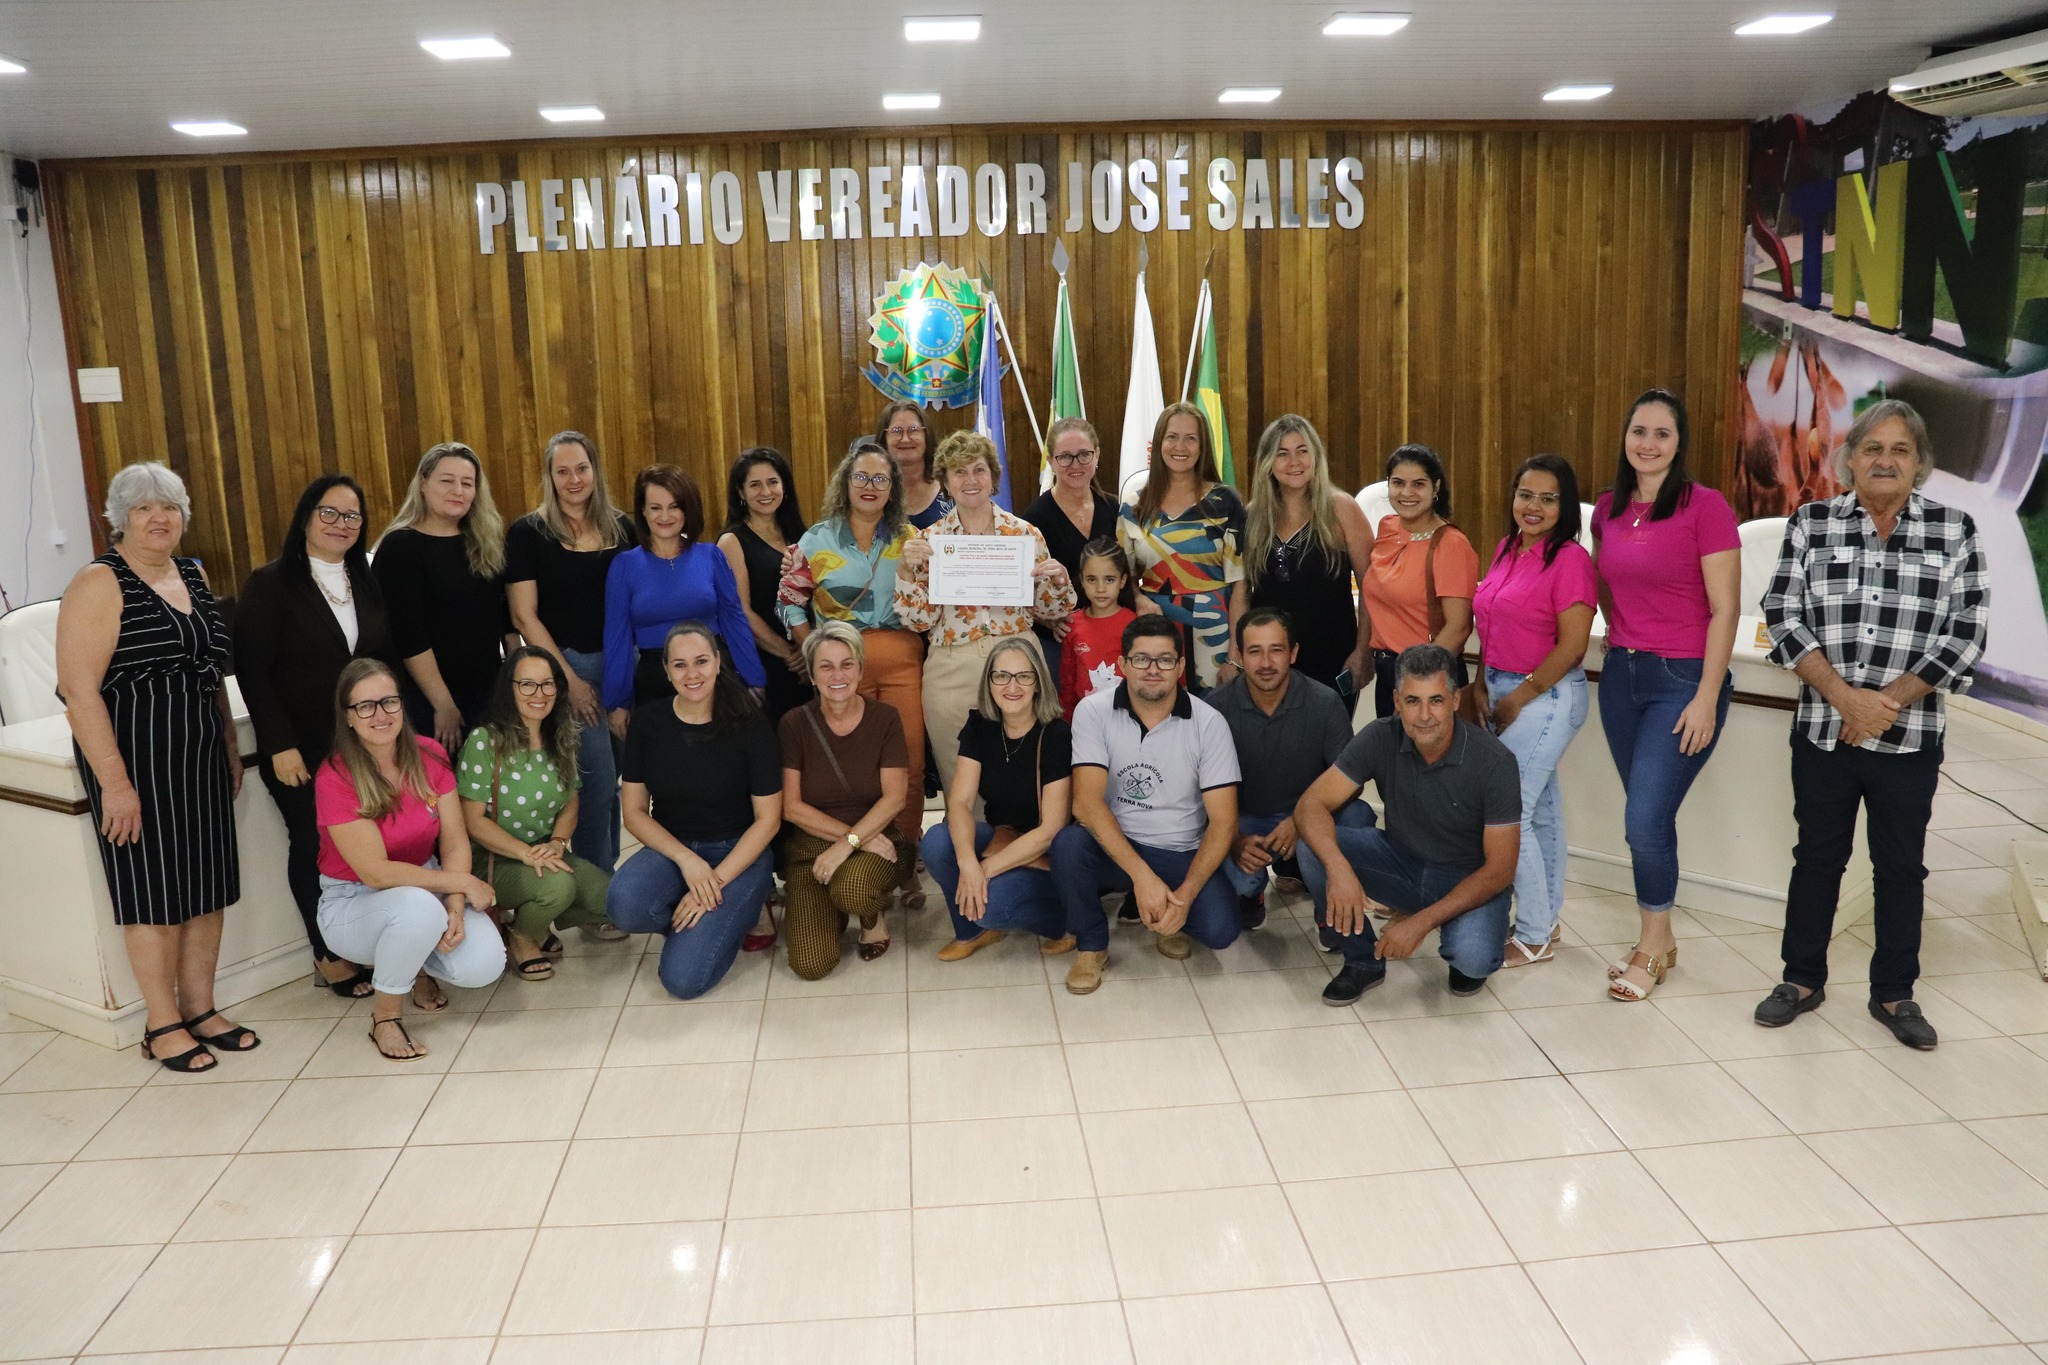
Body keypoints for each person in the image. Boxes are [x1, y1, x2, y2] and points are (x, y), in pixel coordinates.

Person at [1755, 399, 1989, 1050]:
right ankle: (1801, 979)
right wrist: (1842, 697)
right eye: (1872, 449)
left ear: (1919, 465)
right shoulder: (1812, 524)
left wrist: (1880, 703)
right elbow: (1782, 612)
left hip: (1910, 739)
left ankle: (1894, 992)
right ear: (1849, 459)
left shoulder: (1956, 531)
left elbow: (1966, 635)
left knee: (1900, 867)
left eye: (1900, 450)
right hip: (1824, 733)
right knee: (1817, 858)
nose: (1885, 460)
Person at [56, 462, 256, 1072]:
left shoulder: (191, 573)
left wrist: (226, 745)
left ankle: (201, 1009)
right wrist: (115, 784)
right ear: (121, 519)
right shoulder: (99, 582)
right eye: (144, 508)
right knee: (153, 895)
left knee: (206, 887)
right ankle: (161, 1022)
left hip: (198, 756)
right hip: (134, 765)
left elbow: (210, 674)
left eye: (168, 507)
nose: (159, 518)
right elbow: (79, 692)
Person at [1591, 389, 1740, 1002]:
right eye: (1638, 431)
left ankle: (1651, 946)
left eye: (1662, 434)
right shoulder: (1608, 509)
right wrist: (1620, 637)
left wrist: (1706, 696)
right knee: (1648, 817)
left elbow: (1726, 608)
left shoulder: (1705, 507)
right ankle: (1662, 937)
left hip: (1681, 683)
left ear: (1679, 444)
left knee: (1644, 819)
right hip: (1621, 679)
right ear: (1625, 438)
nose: (1647, 443)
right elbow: (1604, 585)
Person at [237, 474, 394, 998]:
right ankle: (327, 954)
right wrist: (279, 745)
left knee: (365, 846)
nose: (341, 525)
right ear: (306, 516)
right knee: (313, 844)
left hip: (365, 745)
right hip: (300, 749)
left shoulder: (367, 579)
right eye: (329, 513)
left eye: (352, 517)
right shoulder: (271, 583)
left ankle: (365, 942)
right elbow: (253, 671)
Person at [1296, 644, 1523, 1005]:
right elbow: (1311, 803)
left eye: (1435, 700)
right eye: (1413, 701)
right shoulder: (1380, 736)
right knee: (1311, 848)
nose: (1425, 715)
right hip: (1403, 863)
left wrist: (1419, 924)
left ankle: (1456, 941)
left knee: (1473, 960)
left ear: (1454, 700)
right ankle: (1362, 960)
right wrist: (1339, 870)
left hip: (1468, 879)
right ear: (1397, 702)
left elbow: (1500, 870)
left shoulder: (1495, 763)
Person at [316, 659, 506, 1061]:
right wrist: (464, 884)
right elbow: (376, 872)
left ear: (403, 705)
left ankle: (415, 964)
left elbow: (454, 842)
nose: (380, 714)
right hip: (353, 900)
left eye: (389, 702)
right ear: (347, 717)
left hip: (428, 885)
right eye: (365, 706)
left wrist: (455, 906)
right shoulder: (335, 776)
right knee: (417, 908)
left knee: (484, 966)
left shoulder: (431, 755)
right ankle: (385, 1017)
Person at [1050, 616, 1242, 993]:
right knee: (1068, 846)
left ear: (1181, 667)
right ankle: (1093, 945)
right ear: (1122, 665)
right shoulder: (1093, 711)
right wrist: (1143, 877)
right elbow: (1086, 805)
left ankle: (1167, 915)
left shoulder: (1210, 723)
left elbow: (1223, 822)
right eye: (1141, 659)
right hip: (1115, 847)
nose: (1153, 670)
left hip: (1179, 850)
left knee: (1221, 931)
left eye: (1165, 660)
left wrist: (1184, 897)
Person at [778, 439, 926, 906]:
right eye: (860, 476)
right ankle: (862, 854)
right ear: (846, 482)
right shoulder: (815, 540)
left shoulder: (912, 539)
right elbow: (789, 602)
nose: (869, 486)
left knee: (911, 765)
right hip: (844, 666)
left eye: (880, 478)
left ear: (893, 487)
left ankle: (904, 860)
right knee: (857, 768)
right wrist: (816, 651)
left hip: (903, 659)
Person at [606, 622, 784, 998]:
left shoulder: (751, 724)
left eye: (701, 661)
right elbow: (635, 812)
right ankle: (701, 924)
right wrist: (687, 861)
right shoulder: (648, 723)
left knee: (682, 981)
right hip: (675, 848)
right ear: (667, 671)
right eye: (680, 665)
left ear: (719, 663)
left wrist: (712, 883)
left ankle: (735, 913)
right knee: (623, 904)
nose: (692, 674)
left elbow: (769, 820)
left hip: (739, 855)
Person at [895, 430, 1076, 790]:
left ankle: (1024, 846)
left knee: (1026, 777)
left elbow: (1050, 610)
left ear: (993, 477)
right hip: (952, 666)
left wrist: (1059, 582)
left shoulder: (1026, 535)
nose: (970, 480)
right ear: (945, 481)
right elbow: (918, 621)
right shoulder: (929, 542)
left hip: (1018, 662)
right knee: (960, 781)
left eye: (978, 470)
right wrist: (904, 573)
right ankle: (966, 845)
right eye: (959, 472)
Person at [1472, 455, 1596, 968]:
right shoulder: (1506, 547)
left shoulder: (1570, 560)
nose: (1535, 506)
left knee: (1511, 812)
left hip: (1546, 696)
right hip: (1501, 688)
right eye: (1526, 494)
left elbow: (1572, 646)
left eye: (1549, 498)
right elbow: (1491, 621)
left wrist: (1517, 697)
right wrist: (1480, 683)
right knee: (1540, 810)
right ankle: (1545, 920)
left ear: (1564, 507)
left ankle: (1533, 932)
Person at [503, 431, 636, 872]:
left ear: (595, 470)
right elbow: (525, 617)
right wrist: (570, 682)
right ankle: (599, 890)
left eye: (581, 468)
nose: (574, 479)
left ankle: (606, 880)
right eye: (562, 471)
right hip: (568, 667)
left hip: (622, 666)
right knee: (595, 785)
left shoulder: (623, 528)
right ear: (549, 476)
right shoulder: (527, 533)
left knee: (620, 781)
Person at [457, 649, 615, 982]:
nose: (539, 694)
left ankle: (540, 921)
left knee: (613, 899)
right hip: (494, 860)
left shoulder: (561, 735)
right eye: (527, 685)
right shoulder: (485, 741)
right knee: (559, 887)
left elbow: (571, 801)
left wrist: (557, 843)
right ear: (510, 688)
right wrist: (526, 854)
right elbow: (472, 822)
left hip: (547, 850)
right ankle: (522, 934)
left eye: (547, 684)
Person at [920, 638, 1073, 960]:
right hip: (1001, 837)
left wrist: (983, 870)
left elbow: (1051, 829)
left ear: (1038, 683)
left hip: (1045, 853)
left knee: (992, 907)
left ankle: (1065, 923)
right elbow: (960, 802)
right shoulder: (981, 725)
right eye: (1001, 676)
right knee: (936, 841)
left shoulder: (1056, 734)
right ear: (989, 681)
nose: (1011, 686)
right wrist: (967, 863)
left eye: (1023, 676)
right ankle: (971, 931)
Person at [1206, 609, 1360, 930]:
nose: (1265, 663)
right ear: (1240, 655)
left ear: (1293, 653)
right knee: (1232, 872)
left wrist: (1302, 820)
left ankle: (1328, 910)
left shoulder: (1325, 702)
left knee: (1356, 819)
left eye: (1276, 650)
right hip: (1243, 820)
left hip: (1308, 815)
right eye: (1254, 651)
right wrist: (1233, 838)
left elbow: (1350, 781)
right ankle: (1250, 894)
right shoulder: (1215, 708)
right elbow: (1198, 789)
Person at [777, 622, 910, 976]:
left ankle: (871, 916)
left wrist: (851, 842)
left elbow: (895, 798)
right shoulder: (794, 724)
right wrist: (846, 842)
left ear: (861, 670)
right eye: (826, 666)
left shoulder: (885, 718)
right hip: (811, 851)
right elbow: (791, 807)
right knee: (810, 964)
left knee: (853, 889)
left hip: (877, 839)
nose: (838, 674)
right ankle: (829, 906)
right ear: (813, 674)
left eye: (847, 664)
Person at [373, 441, 514, 752]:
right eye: (447, 481)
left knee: (488, 796)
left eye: (467, 483)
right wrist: (444, 704)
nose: (458, 491)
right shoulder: (401, 547)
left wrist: (513, 683)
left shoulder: (484, 542)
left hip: (489, 694)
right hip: (432, 701)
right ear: (423, 484)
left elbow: (504, 618)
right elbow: (408, 635)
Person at [603, 464, 765, 730]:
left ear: (687, 509)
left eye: (674, 506)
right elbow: (617, 637)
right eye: (655, 507)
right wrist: (616, 701)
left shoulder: (711, 556)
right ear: (643, 511)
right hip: (655, 682)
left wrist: (754, 679)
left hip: (713, 678)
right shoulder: (624, 566)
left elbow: (734, 621)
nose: (665, 516)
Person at [1242, 415, 1374, 701]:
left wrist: (1364, 650)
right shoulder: (1253, 515)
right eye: (1282, 453)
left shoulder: (1341, 509)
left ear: (1316, 456)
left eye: (1302, 451)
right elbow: (1240, 591)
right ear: (1267, 462)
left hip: (1331, 661)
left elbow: (1372, 587)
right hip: (1269, 666)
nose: (1294, 462)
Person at [1117, 403, 1246, 691]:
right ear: (1159, 442)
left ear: (1203, 447)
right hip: (1155, 639)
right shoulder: (1133, 504)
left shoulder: (1226, 502)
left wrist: (1235, 657)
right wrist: (1138, 599)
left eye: (1191, 438)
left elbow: (1240, 585)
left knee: (1213, 726)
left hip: (1215, 637)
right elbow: (1122, 577)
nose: (1180, 446)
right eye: (1172, 436)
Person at [1359, 443, 1478, 718]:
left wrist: (1417, 679)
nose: (1407, 493)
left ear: (1436, 487)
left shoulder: (1451, 544)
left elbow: (1459, 628)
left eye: (1418, 484)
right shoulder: (1387, 527)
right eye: (1398, 483)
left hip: (1429, 678)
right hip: (1388, 674)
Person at [715, 446, 812, 724]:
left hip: (810, 660)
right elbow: (740, 611)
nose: (766, 492)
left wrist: (811, 651)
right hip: (768, 663)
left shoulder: (803, 534)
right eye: (754, 485)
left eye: (772, 482)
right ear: (740, 493)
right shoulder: (732, 541)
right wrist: (790, 653)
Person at [1022, 415, 1121, 682]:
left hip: (1112, 632)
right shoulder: (1034, 519)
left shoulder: (1115, 509)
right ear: (1051, 461)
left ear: (1097, 455)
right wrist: (1048, 620)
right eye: (1065, 457)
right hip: (1060, 641)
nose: (1075, 464)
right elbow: (1020, 589)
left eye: (1084, 455)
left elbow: (1129, 572)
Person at [1058, 538, 1136, 720]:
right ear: (1082, 581)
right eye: (1092, 579)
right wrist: (1067, 719)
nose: (1100, 588)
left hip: (1126, 718)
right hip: (1085, 719)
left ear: (1122, 581)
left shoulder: (1133, 624)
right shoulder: (1072, 624)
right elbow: (1068, 678)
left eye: (1109, 579)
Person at [877, 400, 953, 531]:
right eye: (896, 431)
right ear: (884, 438)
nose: (905, 439)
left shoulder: (951, 486)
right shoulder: (871, 489)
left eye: (913, 430)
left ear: (926, 435)